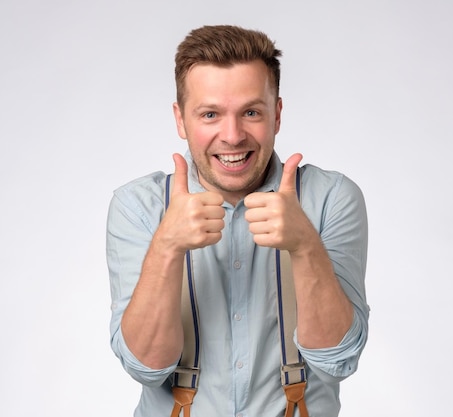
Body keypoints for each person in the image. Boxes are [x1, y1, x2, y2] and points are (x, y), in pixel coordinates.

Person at [107, 25, 369, 417]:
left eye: (250, 112)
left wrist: (305, 247)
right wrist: (167, 246)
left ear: (276, 114)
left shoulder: (331, 198)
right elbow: (146, 368)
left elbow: (337, 359)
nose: (232, 136)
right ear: (181, 120)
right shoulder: (137, 206)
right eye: (210, 114)